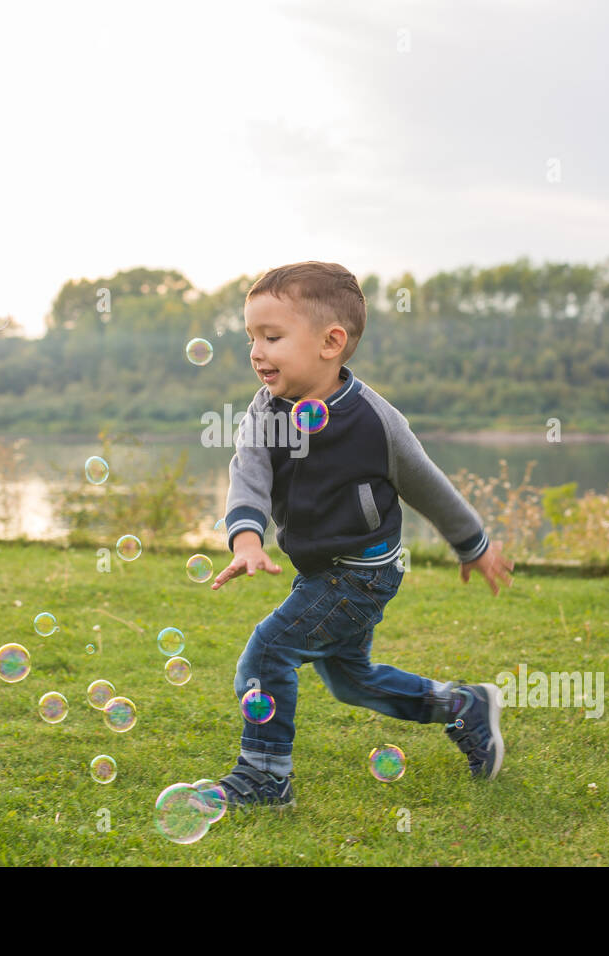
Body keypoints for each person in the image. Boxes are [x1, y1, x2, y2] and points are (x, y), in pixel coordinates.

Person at [208, 261, 515, 810]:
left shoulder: (375, 420)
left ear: (331, 342)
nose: (256, 351)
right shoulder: (264, 412)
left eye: (272, 337)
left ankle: (264, 776)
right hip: (320, 570)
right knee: (352, 681)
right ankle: (463, 706)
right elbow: (248, 474)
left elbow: (427, 484)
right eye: (251, 337)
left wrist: (473, 544)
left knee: (267, 654)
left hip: (362, 573)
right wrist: (246, 540)